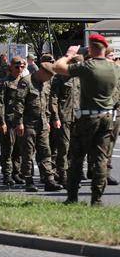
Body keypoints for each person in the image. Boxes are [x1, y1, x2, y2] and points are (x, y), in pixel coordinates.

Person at [55, 34, 120, 205]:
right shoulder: (114, 67)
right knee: (101, 159)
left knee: (76, 158)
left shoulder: (88, 66)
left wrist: (69, 54)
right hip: (107, 117)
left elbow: (58, 67)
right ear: (105, 49)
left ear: (90, 48)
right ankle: (97, 199)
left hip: (87, 117)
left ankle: (72, 197)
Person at [14, 62, 63, 192]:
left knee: (45, 152)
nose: (49, 79)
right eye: (48, 76)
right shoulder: (26, 82)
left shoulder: (46, 83)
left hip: (42, 124)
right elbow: (19, 103)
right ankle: (29, 180)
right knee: (28, 153)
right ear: (41, 71)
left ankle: (49, 180)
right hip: (28, 124)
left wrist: (48, 120)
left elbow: (47, 103)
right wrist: (19, 122)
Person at [50, 56, 82, 186]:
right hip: (64, 117)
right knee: (63, 147)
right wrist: (55, 117)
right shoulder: (59, 78)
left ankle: (70, 174)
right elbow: (53, 99)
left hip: (77, 117)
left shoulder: (80, 78)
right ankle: (62, 175)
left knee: (74, 148)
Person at [0, 56, 26, 185]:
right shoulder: (4, 83)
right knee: (8, 149)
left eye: (22, 66)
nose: (20, 69)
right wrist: (1, 122)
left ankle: (16, 173)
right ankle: (7, 175)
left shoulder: (25, 82)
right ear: (11, 67)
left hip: (21, 122)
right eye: (17, 66)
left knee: (19, 149)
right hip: (8, 121)